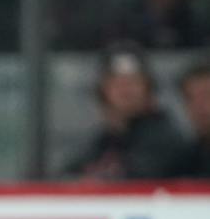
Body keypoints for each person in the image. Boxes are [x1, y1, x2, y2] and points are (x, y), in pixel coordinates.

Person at [64, 44, 187, 180]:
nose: (126, 90)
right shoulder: (104, 141)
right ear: (103, 92)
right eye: (117, 83)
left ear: (149, 90)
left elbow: (140, 178)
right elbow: (69, 174)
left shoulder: (165, 138)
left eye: (133, 82)